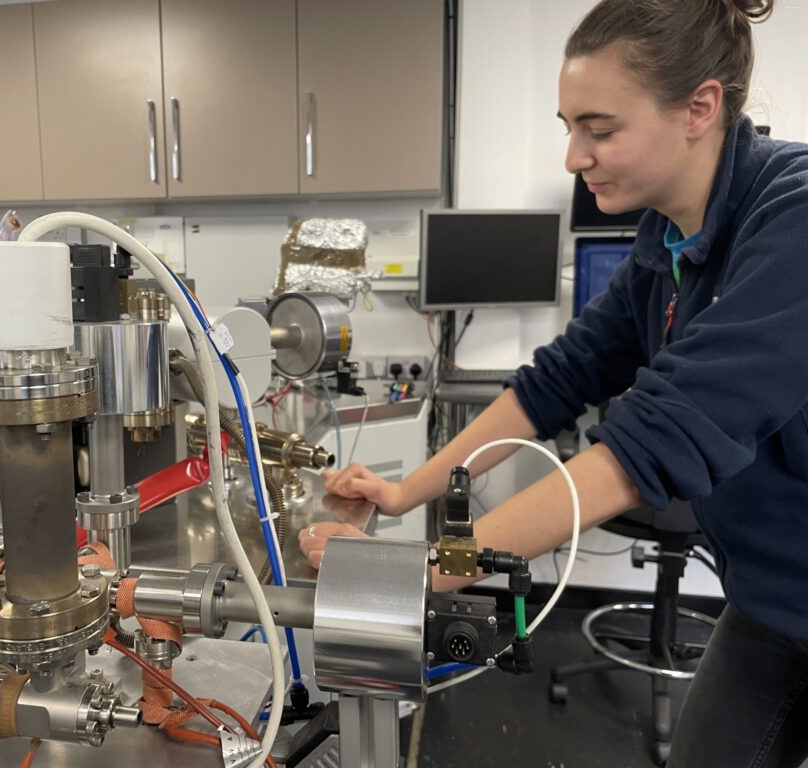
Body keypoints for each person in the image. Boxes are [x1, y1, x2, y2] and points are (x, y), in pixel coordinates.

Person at [299, 1, 808, 765]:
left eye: (600, 130)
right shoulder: (665, 239)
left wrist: (429, 570)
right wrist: (410, 496)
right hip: (773, 598)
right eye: (569, 126)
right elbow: (552, 386)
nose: (575, 156)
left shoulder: (793, 217)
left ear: (700, 108)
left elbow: (652, 446)